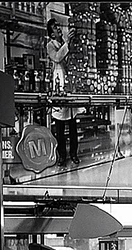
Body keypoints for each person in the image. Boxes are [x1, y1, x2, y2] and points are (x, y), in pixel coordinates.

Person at [46, 18, 82, 166]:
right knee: (60, 128)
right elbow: (57, 57)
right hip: (59, 88)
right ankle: (62, 155)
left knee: (73, 126)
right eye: (55, 28)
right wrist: (67, 43)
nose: (58, 29)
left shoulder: (66, 43)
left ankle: (74, 154)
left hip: (70, 87)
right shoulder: (50, 46)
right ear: (52, 34)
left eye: (58, 27)